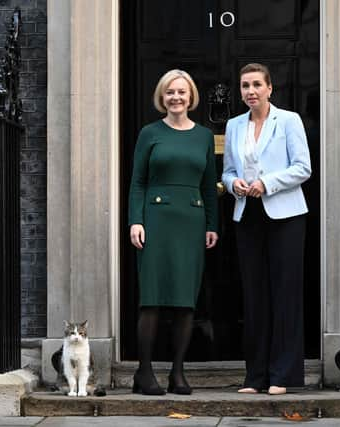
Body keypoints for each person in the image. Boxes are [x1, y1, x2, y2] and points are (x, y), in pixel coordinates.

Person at [222, 63, 311, 395]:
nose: (251, 91)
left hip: (285, 217)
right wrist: (236, 185)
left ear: (270, 88)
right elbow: (228, 171)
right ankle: (255, 376)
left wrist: (266, 183)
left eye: (257, 85)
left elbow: (303, 167)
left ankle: (282, 375)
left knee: (285, 294)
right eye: (245, 85)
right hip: (248, 216)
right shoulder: (233, 126)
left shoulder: (288, 121)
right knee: (255, 296)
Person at [128, 69, 219, 395]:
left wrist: (212, 224)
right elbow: (137, 181)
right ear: (162, 97)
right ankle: (145, 372)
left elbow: (209, 186)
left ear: (191, 96)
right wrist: (134, 221)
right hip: (155, 220)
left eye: (181, 92)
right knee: (151, 299)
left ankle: (178, 373)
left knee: (184, 301)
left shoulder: (204, 136)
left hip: (191, 222)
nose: (176, 98)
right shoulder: (149, 133)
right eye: (170, 93)